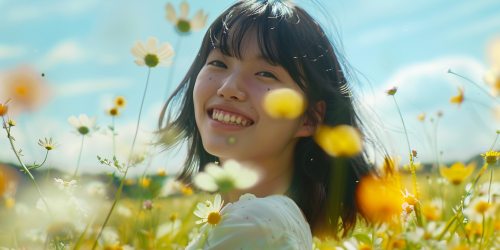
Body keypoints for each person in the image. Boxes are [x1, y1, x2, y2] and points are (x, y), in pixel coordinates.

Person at [158, 0, 372, 248]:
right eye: (218, 63)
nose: (228, 89)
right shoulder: (272, 221)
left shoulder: (254, 224)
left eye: (266, 74)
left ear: (309, 118)